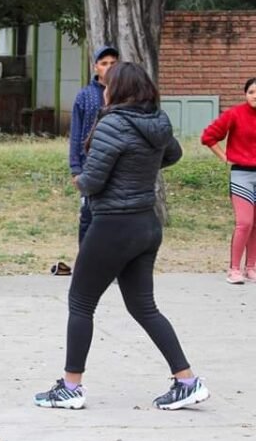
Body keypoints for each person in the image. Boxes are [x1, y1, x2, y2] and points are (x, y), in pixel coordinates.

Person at [35, 62, 209, 411]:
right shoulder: (157, 121)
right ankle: (187, 380)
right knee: (144, 306)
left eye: (107, 84)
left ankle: (71, 387)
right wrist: (140, 167)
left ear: (119, 89)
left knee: (81, 302)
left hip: (114, 224)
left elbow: (93, 179)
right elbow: (173, 153)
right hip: (146, 224)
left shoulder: (113, 123)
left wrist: (79, 182)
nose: (103, 89)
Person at [51, 45, 119, 276]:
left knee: (115, 219)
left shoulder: (125, 94)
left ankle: (114, 267)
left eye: (113, 63)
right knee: (88, 217)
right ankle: (87, 267)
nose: (109, 67)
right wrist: (75, 169)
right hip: (90, 166)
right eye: (104, 63)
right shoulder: (85, 96)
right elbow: (76, 135)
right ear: (95, 67)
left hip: (118, 166)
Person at [201, 77, 256, 285]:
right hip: (241, 174)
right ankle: (234, 269)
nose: (255, 96)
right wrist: (224, 156)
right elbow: (208, 137)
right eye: (251, 92)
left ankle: (251, 268)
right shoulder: (235, 114)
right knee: (245, 222)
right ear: (245, 94)